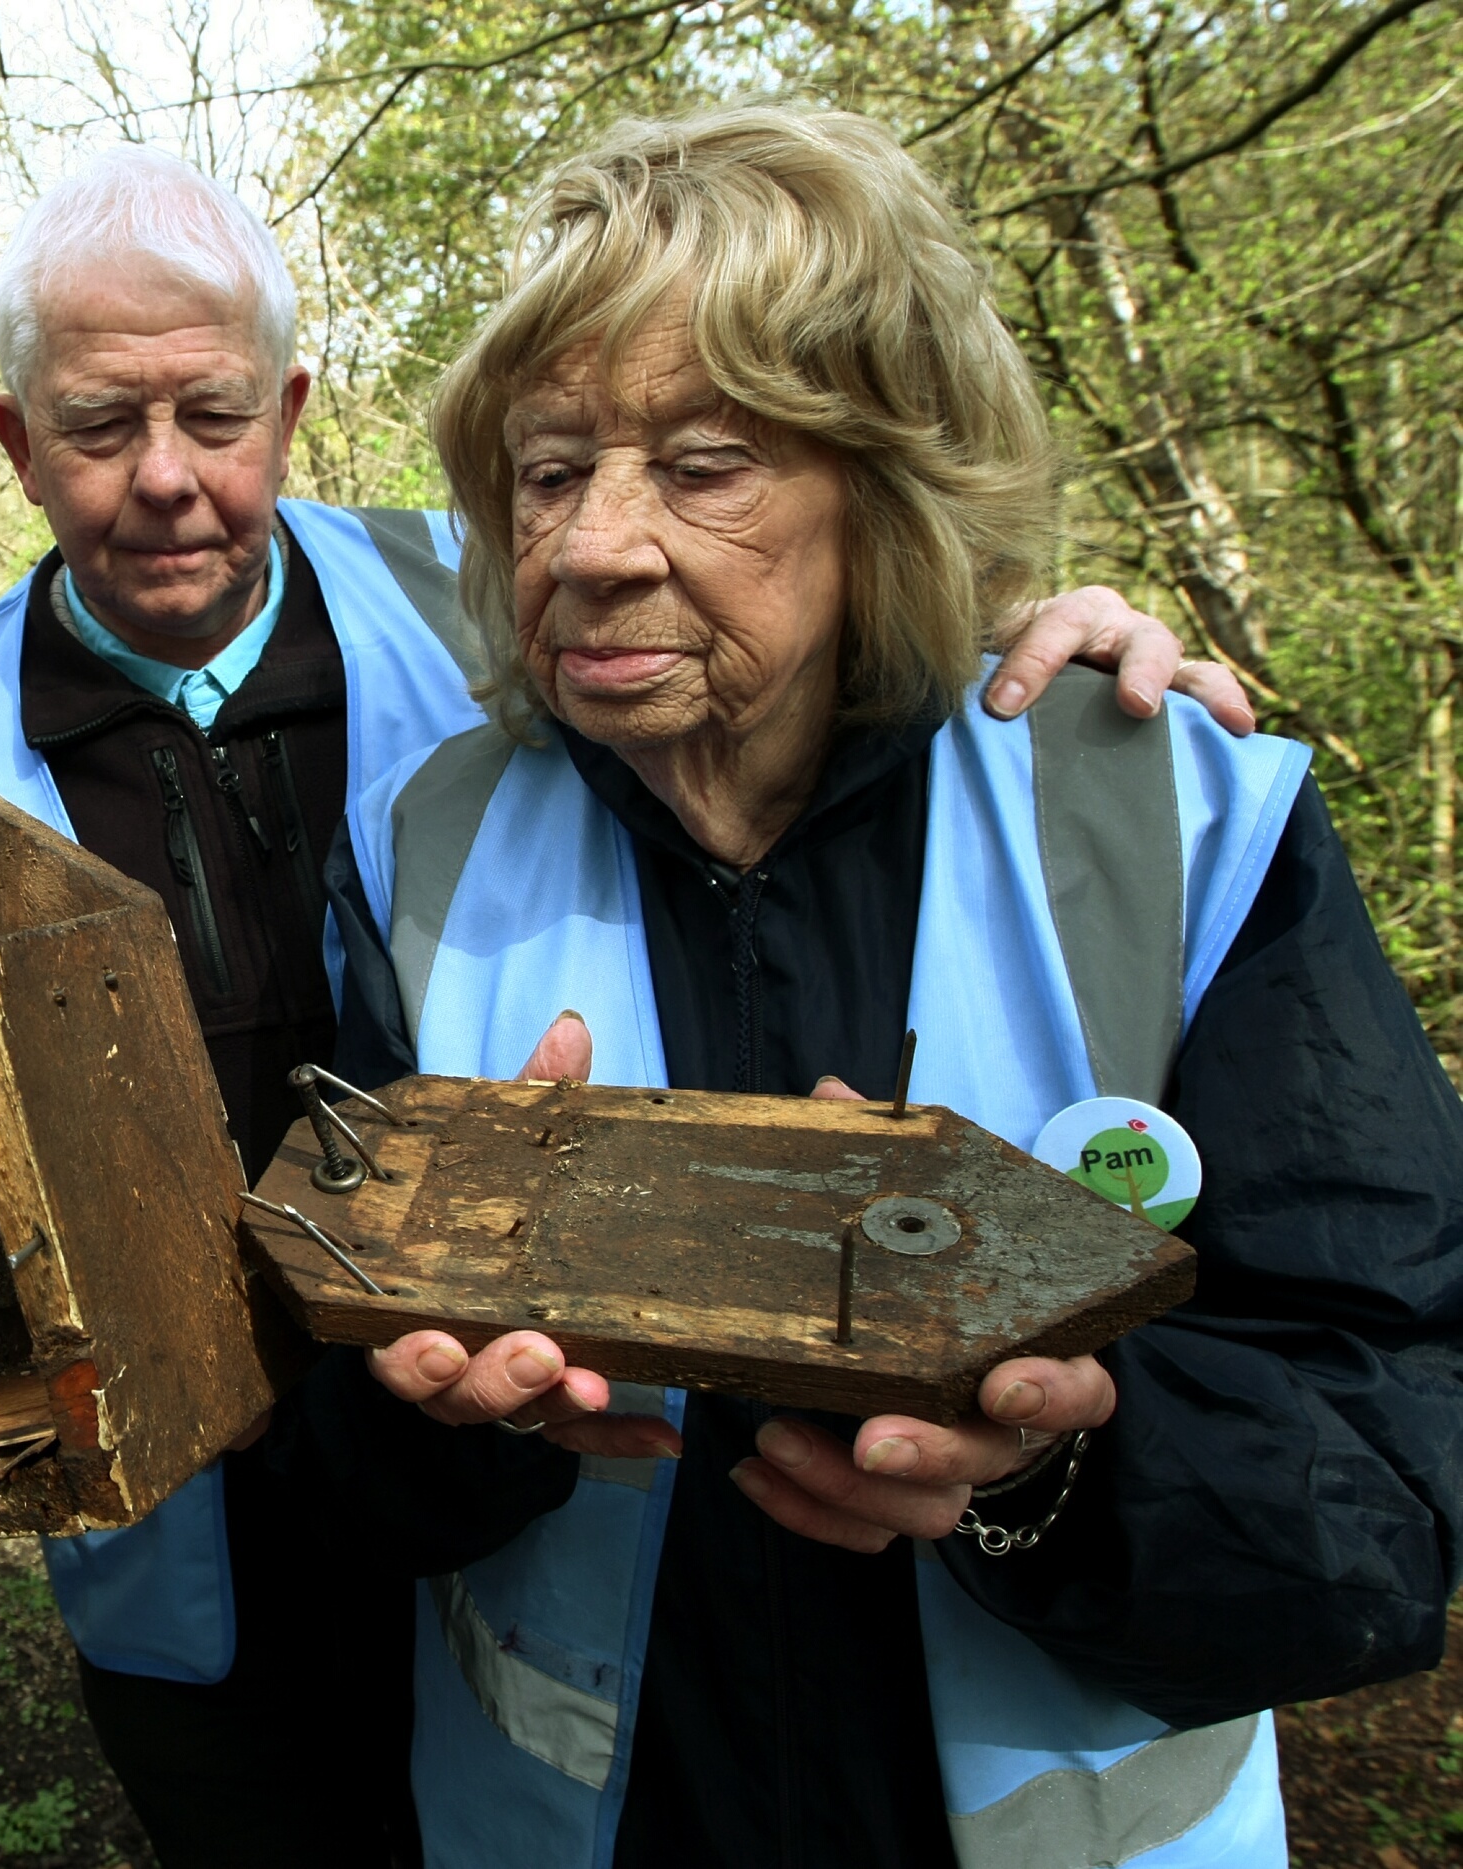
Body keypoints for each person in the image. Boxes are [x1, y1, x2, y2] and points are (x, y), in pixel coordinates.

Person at [0, 144, 1258, 1868]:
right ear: (16, 443)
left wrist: (1027, 648)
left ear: (289, 409)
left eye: (214, 416)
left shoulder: (494, 617)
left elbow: (803, 623)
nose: (167, 478)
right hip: (217, 1548)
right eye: (97, 426)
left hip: (535, 1524)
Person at [319, 106, 1463, 1867]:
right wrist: (458, 1422)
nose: (596, 545)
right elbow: (340, 1450)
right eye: (552, 471)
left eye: (706, 463)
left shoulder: (1172, 815)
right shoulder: (427, 845)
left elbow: (1390, 1479)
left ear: (886, 479)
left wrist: (1054, 1472)